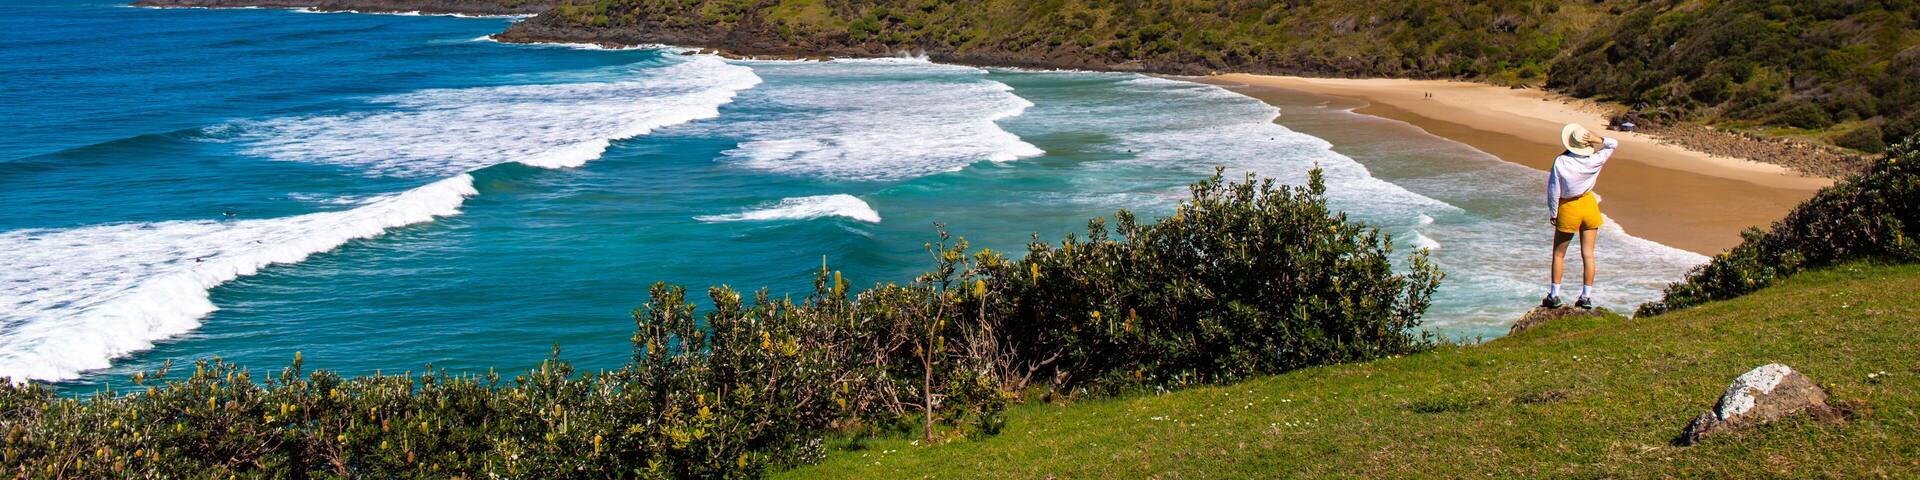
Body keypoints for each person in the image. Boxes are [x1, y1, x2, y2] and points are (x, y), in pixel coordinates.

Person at [1544, 123, 1616, 309]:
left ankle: (1554, 295)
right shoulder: (1596, 159)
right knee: (1588, 255)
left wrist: (1553, 212)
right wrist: (1598, 139)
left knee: (1559, 254)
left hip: (1569, 207)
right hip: (1589, 205)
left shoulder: (1561, 162)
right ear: (1587, 144)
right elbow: (1613, 144)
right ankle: (1585, 297)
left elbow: (1554, 190)